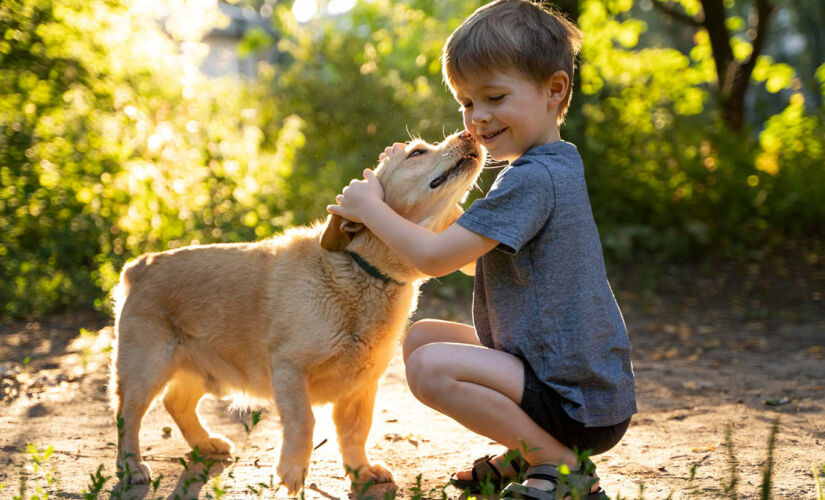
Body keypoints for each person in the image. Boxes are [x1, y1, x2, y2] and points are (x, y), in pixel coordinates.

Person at [327, 1, 636, 498]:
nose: (478, 118)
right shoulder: (549, 165)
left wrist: (370, 210)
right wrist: (407, 185)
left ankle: (559, 465)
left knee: (429, 368)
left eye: (494, 97)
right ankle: (529, 452)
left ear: (554, 90)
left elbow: (433, 260)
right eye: (467, 103)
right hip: (565, 378)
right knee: (422, 337)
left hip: (575, 401)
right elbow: (473, 262)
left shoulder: (534, 179)